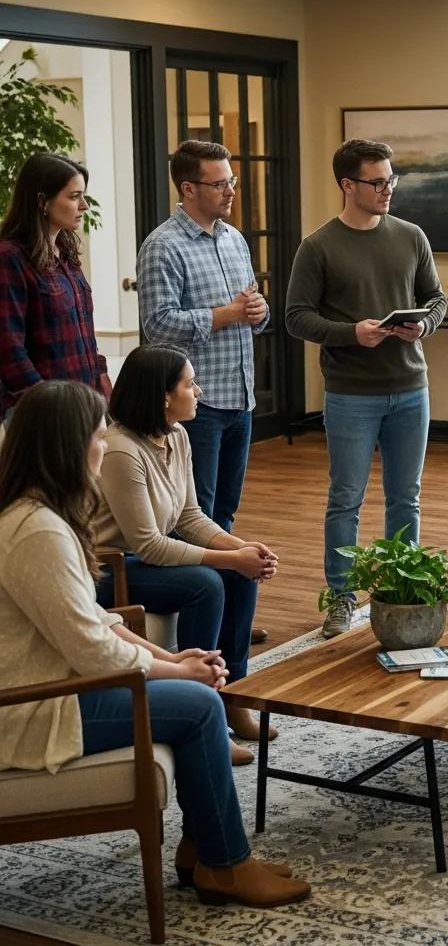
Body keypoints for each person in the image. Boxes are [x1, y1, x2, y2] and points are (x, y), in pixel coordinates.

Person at [0, 379, 309, 907]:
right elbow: (94, 651)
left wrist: (171, 657)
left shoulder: (42, 518)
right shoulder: (36, 531)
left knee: (195, 695)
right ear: (67, 446)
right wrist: (181, 674)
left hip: (63, 687)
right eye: (97, 437)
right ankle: (225, 865)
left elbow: (95, 619)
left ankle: (205, 853)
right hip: (35, 709)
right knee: (195, 705)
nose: (103, 446)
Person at [285, 139, 447, 638]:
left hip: (409, 388)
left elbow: (435, 298)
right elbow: (296, 318)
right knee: (346, 498)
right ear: (347, 185)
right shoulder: (318, 247)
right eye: (377, 182)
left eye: (391, 179)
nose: (387, 189)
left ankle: (402, 588)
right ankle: (340, 597)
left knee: (407, 498)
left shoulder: (411, 236)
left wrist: (423, 327)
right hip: (350, 392)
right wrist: (350, 333)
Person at [93, 345, 279, 765]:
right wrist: (231, 560)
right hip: (109, 568)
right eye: (190, 383)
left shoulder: (176, 435)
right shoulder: (121, 450)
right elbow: (148, 544)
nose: (198, 390)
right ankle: (205, 710)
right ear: (163, 395)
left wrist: (243, 550)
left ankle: (234, 697)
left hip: (143, 560)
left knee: (238, 574)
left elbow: (191, 517)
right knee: (207, 583)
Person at [137, 140, 270, 643]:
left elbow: (252, 315)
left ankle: (224, 611)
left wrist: (257, 313)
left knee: (225, 516)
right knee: (196, 518)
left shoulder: (235, 239)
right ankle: (196, 629)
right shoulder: (163, 246)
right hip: (199, 406)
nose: (231, 190)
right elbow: (157, 326)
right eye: (221, 183)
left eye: (232, 180)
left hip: (240, 398)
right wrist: (226, 314)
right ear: (188, 188)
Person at [0, 153, 110, 420]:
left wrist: (102, 391)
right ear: (42, 202)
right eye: (74, 197)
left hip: (83, 405)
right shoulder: (10, 257)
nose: (84, 205)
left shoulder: (66, 255)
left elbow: (83, 336)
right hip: (42, 413)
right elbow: (8, 346)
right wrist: (46, 406)